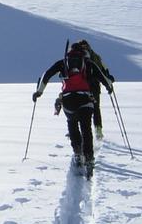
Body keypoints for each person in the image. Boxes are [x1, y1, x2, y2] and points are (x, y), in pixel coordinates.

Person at [32, 41, 113, 171]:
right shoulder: (88, 63)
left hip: (68, 100)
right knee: (86, 129)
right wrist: (109, 87)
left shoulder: (63, 62)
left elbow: (46, 75)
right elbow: (103, 78)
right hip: (85, 99)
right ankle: (89, 158)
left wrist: (39, 92)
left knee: (72, 124)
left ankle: (77, 153)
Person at [75, 39, 114, 138]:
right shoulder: (96, 56)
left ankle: (79, 131)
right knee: (96, 108)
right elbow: (103, 69)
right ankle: (98, 130)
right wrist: (108, 80)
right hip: (94, 86)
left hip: (79, 87)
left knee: (80, 109)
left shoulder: (76, 57)